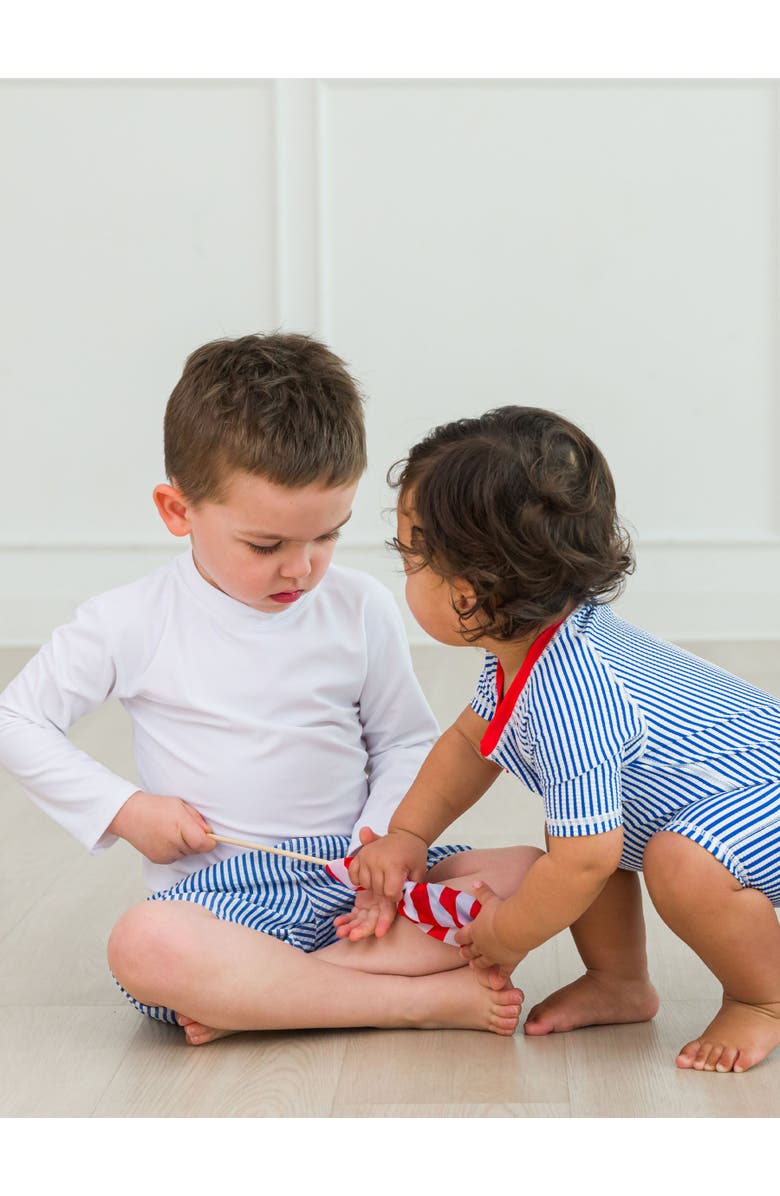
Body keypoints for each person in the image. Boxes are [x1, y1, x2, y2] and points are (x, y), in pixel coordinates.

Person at [0, 334, 537, 1044]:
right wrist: (126, 809)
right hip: (220, 901)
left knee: (533, 873)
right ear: (177, 510)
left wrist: (382, 852)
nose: (302, 569)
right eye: (266, 546)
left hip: (358, 878)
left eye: (327, 536)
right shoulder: (129, 621)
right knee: (145, 944)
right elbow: (18, 719)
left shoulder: (360, 608)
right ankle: (409, 1000)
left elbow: (403, 739)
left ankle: (266, 997)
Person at [351, 405, 780, 1074]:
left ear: (469, 592)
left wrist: (506, 928)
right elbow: (471, 744)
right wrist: (409, 834)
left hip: (760, 793)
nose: (404, 571)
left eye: (411, 557)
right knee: (582, 832)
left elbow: (583, 863)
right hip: (720, 793)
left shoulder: (572, 692)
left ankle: (763, 999)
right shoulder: (525, 649)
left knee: (661, 858)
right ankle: (621, 982)